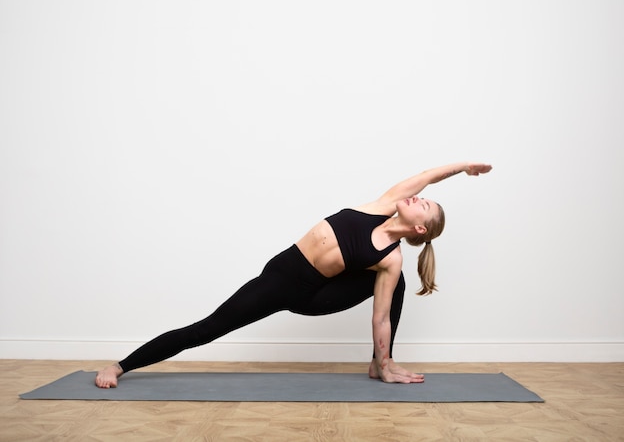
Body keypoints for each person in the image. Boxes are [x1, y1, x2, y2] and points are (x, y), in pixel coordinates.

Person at [95, 161, 492, 388]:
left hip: (313, 297)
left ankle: (380, 364)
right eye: (422, 197)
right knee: (207, 329)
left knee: (397, 283)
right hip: (279, 277)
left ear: (420, 229)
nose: (418, 197)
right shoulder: (384, 203)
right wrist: (463, 168)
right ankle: (120, 366)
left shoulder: (390, 259)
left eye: (424, 205)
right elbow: (427, 175)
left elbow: (381, 316)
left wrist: (384, 356)